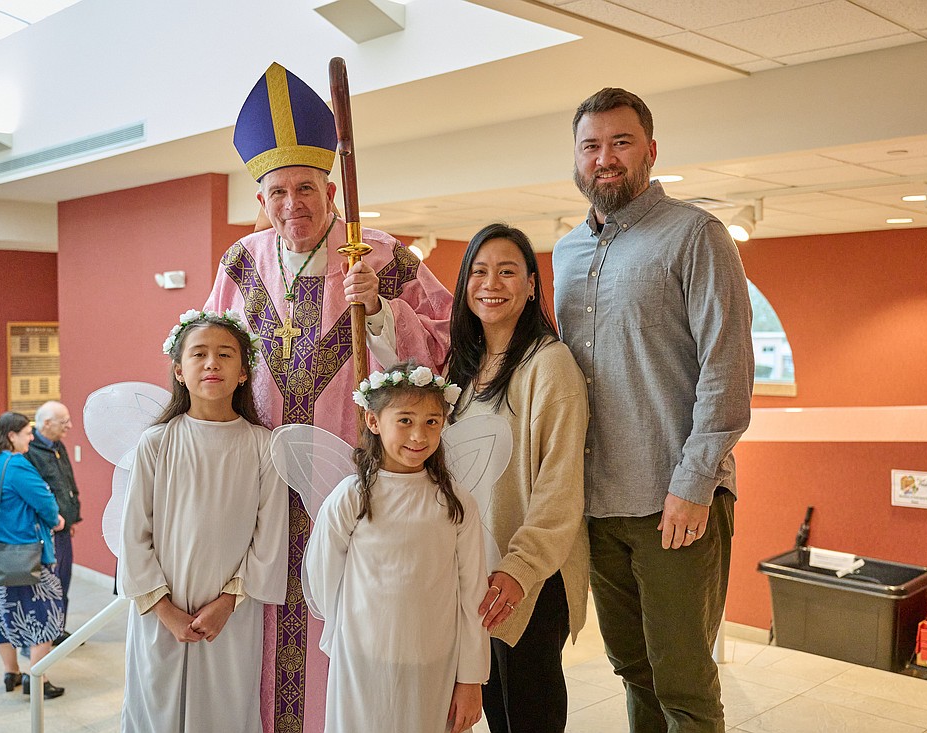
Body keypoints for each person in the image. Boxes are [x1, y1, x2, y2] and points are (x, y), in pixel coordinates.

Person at [204, 63, 452, 733]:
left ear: (331, 186)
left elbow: (444, 350)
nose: (293, 206)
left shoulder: (381, 255)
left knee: (343, 657)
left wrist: (381, 313)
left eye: (305, 188)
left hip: (352, 489)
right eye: (277, 191)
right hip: (258, 499)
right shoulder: (242, 262)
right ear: (261, 195)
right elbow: (205, 362)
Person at [552, 87, 754, 733]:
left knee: (684, 684)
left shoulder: (696, 234)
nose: (605, 158)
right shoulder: (566, 252)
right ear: (577, 158)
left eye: (620, 142)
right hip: (596, 501)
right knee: (632, 668)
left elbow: (726, 369)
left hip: (674, 499)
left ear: (650, 150)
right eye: (591, 146)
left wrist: (693, 484)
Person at [446, 223, 590, 733]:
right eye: (479, 271)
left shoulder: (550, 366)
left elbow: (560, 486)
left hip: (529, 575)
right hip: (477, 569)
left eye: (508, 271)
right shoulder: (464, 367)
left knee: (531, 713)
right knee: (497, 712)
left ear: (531, 284)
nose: (492, 283)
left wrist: (520, 568)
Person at [118, 309, 289, 733]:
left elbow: (268, 538)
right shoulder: (157, 443)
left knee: (224, 713)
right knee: (156, 712)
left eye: (225, 354)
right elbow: (135, 535)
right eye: (199, 354)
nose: (212, 363)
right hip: (161, 613)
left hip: (230, 614)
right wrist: (165, 611)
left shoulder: (262, 446)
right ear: (179, 369)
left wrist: (227, 603)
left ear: (244, 372)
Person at [302, 362, 488, 733]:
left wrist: (470, 678)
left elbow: (472, 594)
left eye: (432, 422)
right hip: (363, 658)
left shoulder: (455, 502)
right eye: (405, 420)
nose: (419, 435)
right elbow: (322, 576)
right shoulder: (352, 497)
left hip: (433, 658)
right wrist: (356, 634)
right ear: (374, 421)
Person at [0, 411, 67, 699]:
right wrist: (57, 521)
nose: (30, 437)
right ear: (11, 436)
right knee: (46, 615)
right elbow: (46, 502)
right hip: (23, 556)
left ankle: (10, 672)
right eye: (27, 432)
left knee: (0, 616)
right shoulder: (16, 465)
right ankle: (37, 677)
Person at [25, 400, 82, 644]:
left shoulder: (57, 446)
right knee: (50, 581)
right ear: (46, 424)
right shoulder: (30, 451)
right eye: (64, 422)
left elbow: (66, 482)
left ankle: (58, 629)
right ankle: (46, 633)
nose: (69, 425)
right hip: (46, 530)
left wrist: (72, 517)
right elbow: (36, 494)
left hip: (64, 527)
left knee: (64, 578)